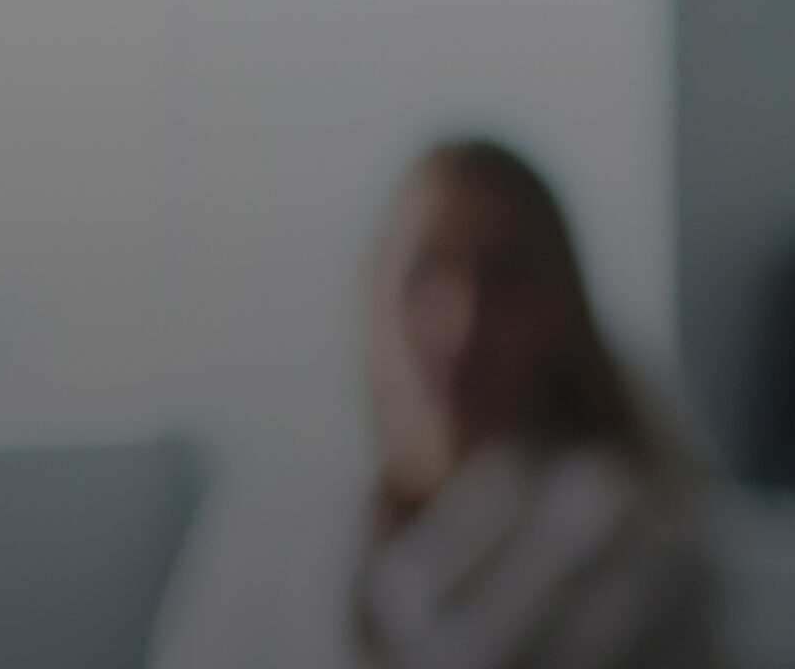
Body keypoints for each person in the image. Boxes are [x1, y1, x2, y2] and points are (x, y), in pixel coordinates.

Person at [154, 139, 726, 669]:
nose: (462, 326)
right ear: (373, 290)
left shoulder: (636, 542)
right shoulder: (268, 522)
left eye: (506, 278)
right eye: (424, 269)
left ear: (561, 308)